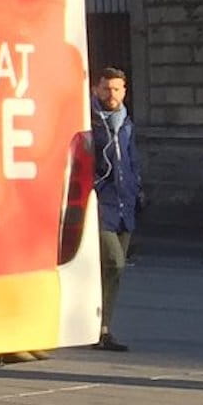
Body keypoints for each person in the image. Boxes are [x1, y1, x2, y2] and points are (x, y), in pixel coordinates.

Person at [92, 67, 142, 350]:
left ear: (124, 91)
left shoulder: (126, 123)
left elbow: (132, 160)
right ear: (96, 90)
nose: (111, 95)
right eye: (106, 89)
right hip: (101, 206)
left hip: (125, 206)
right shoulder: (90, 122)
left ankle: (102, 329)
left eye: (116, 89)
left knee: (111, 272)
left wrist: (138, 187)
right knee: (114, 262)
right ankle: (97, 328)